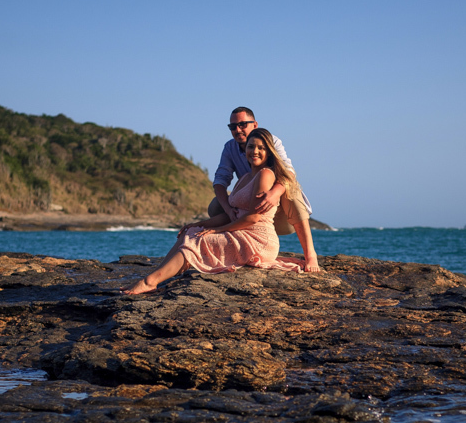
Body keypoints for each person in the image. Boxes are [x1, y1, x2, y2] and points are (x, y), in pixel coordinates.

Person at [122, 128, 308, 294]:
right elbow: (232, 213)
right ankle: (156, 277)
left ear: (269, 152)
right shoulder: (244, 178)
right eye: (251, 147)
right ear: (245, 150)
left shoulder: (266, 174)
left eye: (261, 148)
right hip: (243, 232)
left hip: (258, 239)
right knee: (191, 232)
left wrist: (218, 230)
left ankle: (149, 282)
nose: (255, 152)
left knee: (200, 241)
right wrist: (199, 224)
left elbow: (252, 218)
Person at [212, 107, 320, 272]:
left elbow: (289, 171)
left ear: (254, 124)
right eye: (232, 127)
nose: (237, 130)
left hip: (278, 213)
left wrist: (274, 192)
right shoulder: (230, 148)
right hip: (249, 215)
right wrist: (227, 209)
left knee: (291, 191)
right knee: (216, 205)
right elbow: (220, 180)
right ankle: (236, 249)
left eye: (242, 124)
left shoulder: (272, 141)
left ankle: (310, 255)